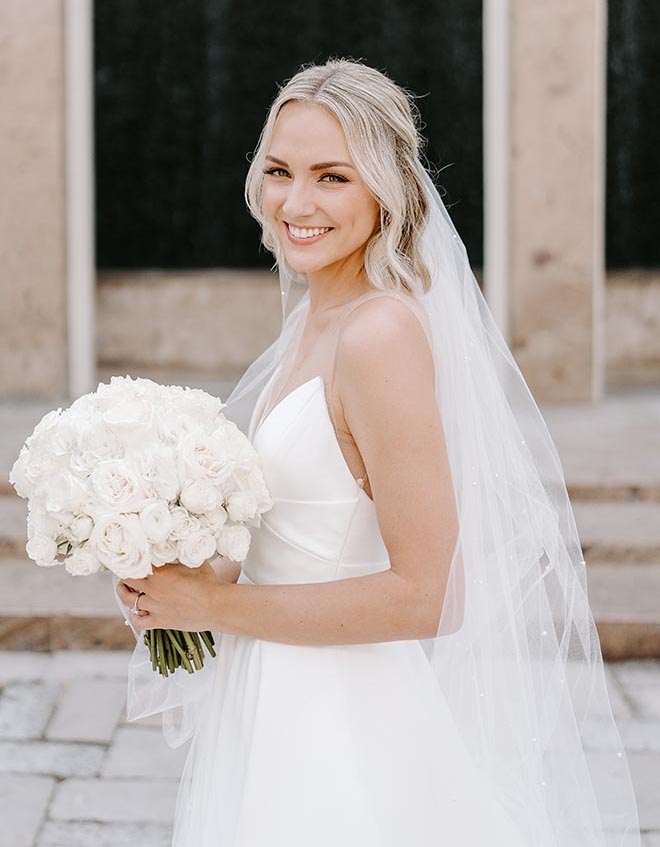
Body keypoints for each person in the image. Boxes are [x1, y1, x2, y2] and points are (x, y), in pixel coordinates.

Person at [115, 58, 641, 846]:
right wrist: (181, 574)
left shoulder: (380, 335)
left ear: (386, 190)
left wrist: (215, 608)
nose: (297, 202)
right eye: (280, 171)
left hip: (340, 714)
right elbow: (306, 529)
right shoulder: (316, 320)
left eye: (332, 177)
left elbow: (431, 593)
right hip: (270, 688)